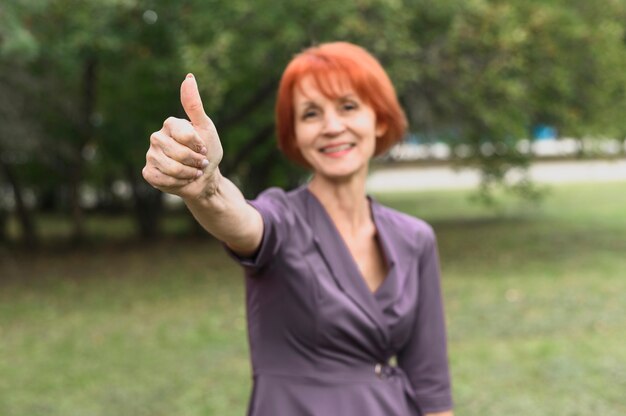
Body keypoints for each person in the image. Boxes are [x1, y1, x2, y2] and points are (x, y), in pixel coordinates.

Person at [142, 42, 453, 416]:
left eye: (348, 107)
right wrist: (206, 186)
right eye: (311, 114)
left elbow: (431, 386)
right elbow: (241, 220)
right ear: (296, 133)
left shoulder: (415, 238)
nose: (332, 127)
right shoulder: (282, 219)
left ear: (380, 119)